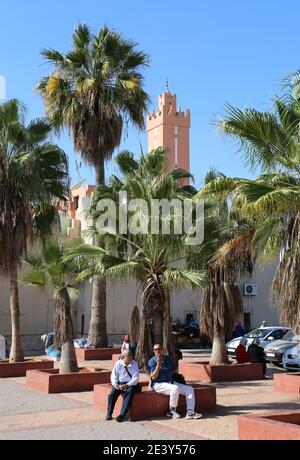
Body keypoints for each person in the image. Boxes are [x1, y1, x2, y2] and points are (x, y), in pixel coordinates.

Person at [148, 344, 202, 420]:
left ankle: (190, 412)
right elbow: (153, 377)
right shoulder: (152, 361)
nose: (158, 351)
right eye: (155, 350)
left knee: (189, 389)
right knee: (175, 388)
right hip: (158, 384)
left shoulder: (168, 359)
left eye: (159, 349)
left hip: (170, 382)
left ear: (162, 349)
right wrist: (158, 364)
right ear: (153, 351)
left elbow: (173, 369)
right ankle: (171, 411)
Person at [106, 349, 140, 422]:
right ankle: (109, 414)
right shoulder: (118, 363)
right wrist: (115, 384)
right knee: (112, 394)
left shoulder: (134, 364)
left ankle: (122, 415)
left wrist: (127, 385)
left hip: (130, 384)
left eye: (131, 355)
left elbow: (135, 379)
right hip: (119, 383)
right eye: (128, 355)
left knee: (130, 392)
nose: (130, 357)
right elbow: (113, 375)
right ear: (123, 357)